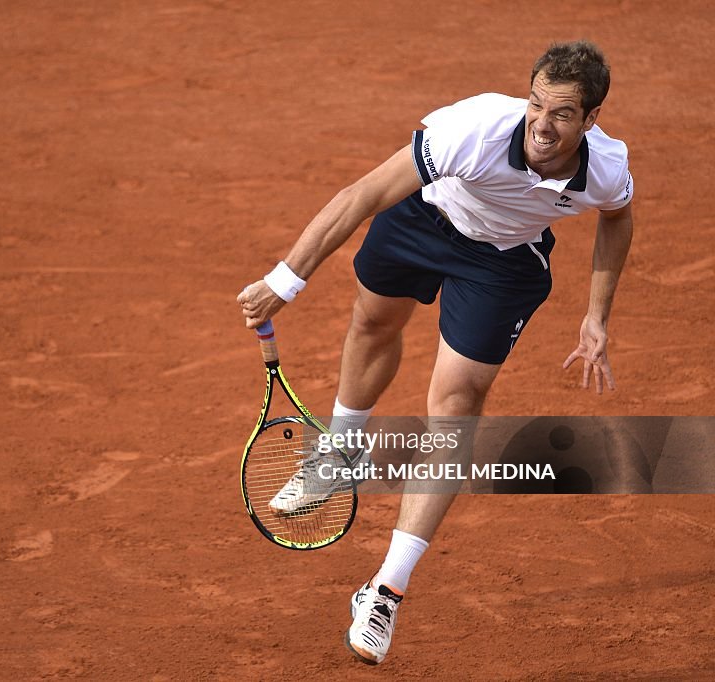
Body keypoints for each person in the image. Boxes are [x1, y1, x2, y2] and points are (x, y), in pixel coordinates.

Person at [236, 40, 633, 665]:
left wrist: (596, 315)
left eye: (561, 113)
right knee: (373, 323)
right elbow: (363, 193)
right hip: (424, 217)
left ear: (591, 120)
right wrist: (284, 281)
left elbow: (618, 215)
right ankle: (339, 453)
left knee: (456, 404)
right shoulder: (470, 130)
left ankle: (385, 590)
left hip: (502, 262)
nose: (541, 123)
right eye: (535, 104)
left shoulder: (606, 166)